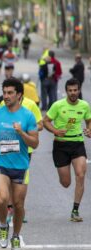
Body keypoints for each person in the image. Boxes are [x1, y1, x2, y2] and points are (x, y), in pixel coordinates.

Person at [0, 78, 39, 250]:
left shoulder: (28, 116)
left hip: (21, 166)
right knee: (1, 199)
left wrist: (21, 132)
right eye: (4, 92)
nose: (6, 96)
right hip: (0, 164)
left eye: (10, 93)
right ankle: (3, 225)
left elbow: (35, 143)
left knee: (18, 205)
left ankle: (15, 235)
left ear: (19, 95)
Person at [43, 78, 91, 222]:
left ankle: (75, 210)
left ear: (79, 90)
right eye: (70, 90)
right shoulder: (58, 105)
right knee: (66, 183)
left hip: (77, 143)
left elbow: (89, 120)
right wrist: (56, 131)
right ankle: (64, 177)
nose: (73, 93)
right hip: (61, 146)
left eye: (75, 90)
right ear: (66, 92)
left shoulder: (84, 105)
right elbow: (45, 121)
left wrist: (89, 130)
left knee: (81, 175)